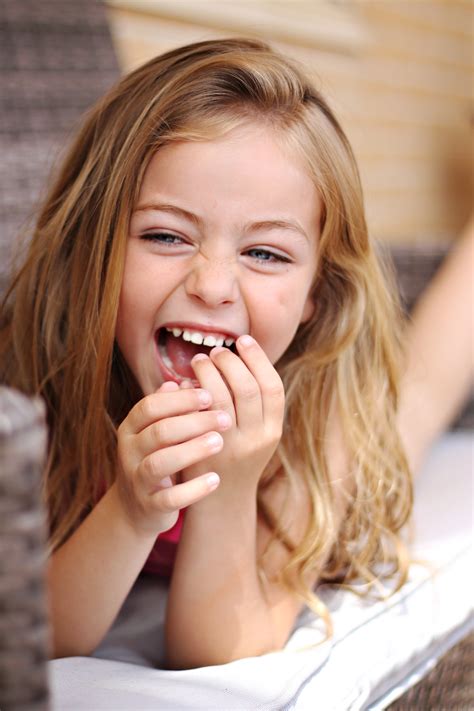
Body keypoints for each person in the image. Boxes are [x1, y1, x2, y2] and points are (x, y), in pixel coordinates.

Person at [0, 37, 471, 669]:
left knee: (422, 387)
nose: (212, 285)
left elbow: (216, 653)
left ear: (315, 294)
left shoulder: (316, 426)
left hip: (340, 415)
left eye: (266, 253)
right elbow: (45, 637)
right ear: (92, 250)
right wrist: (132, 509)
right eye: (165, 235)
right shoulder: (43, 391)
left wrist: (231, 486)